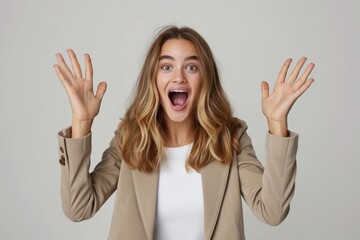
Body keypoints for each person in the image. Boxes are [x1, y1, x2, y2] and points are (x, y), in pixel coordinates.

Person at [54, 26, 315, 240]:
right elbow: (79, 208)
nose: (179, 77)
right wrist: (81, 121)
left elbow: (272, 211)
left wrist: (277, 123)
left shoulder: (230, 136)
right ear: (153, 78)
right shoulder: (130, 138)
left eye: (191, 67)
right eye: (166, 67)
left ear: (205, 79)